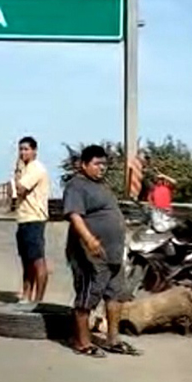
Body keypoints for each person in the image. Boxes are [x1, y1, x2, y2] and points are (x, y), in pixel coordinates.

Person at [63, 145, 138, 357]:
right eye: (97, 164)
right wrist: (89, 240)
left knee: (115, 296)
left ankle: (112, 340)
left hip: (113, 253)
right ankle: (82, 342)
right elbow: (74, 216)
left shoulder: (101, 186)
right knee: (88, 296)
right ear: (83, 164)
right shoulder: (77, 186)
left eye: (104, 164)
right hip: (90, 253)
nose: (101, 168)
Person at [13, 137, 50, 303]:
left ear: (34, 151)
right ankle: (26, 295)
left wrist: (17, 177)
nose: (23, 153)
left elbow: (20, 188)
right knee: (26, 261)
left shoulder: (36, 168)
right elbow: (12, 193)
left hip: (34, 219)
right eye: (21, 149)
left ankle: (38, 300)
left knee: (37, 261)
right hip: (23, 218)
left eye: (26, 149)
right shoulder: (24, 169)